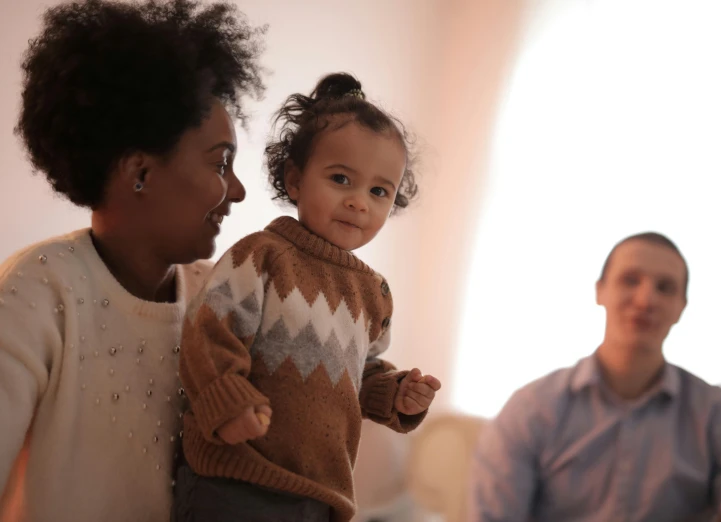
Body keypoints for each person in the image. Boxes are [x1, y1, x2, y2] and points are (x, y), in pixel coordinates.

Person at [0, 1, 266, 521]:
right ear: (139, 172)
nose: (236, 190)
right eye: (221, 162)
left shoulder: (222, 298)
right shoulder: (34, 292)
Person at [173, 72, 442, 522]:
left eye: (379, 191)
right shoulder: (262, 257)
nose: (360, 202)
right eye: (341, 179)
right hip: (236, 480)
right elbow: (208, 332)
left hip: (320, 493)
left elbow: (361, 373)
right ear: (295, 180)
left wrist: (394, 395)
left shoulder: (373, 292)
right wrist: (227, 403)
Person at [468, 232, 721, 522]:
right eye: (630, 280)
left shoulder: (720, 416)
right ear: (599, 290)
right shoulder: (530, 409)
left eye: (665, 287)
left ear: (681, 308)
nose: (646, 299)